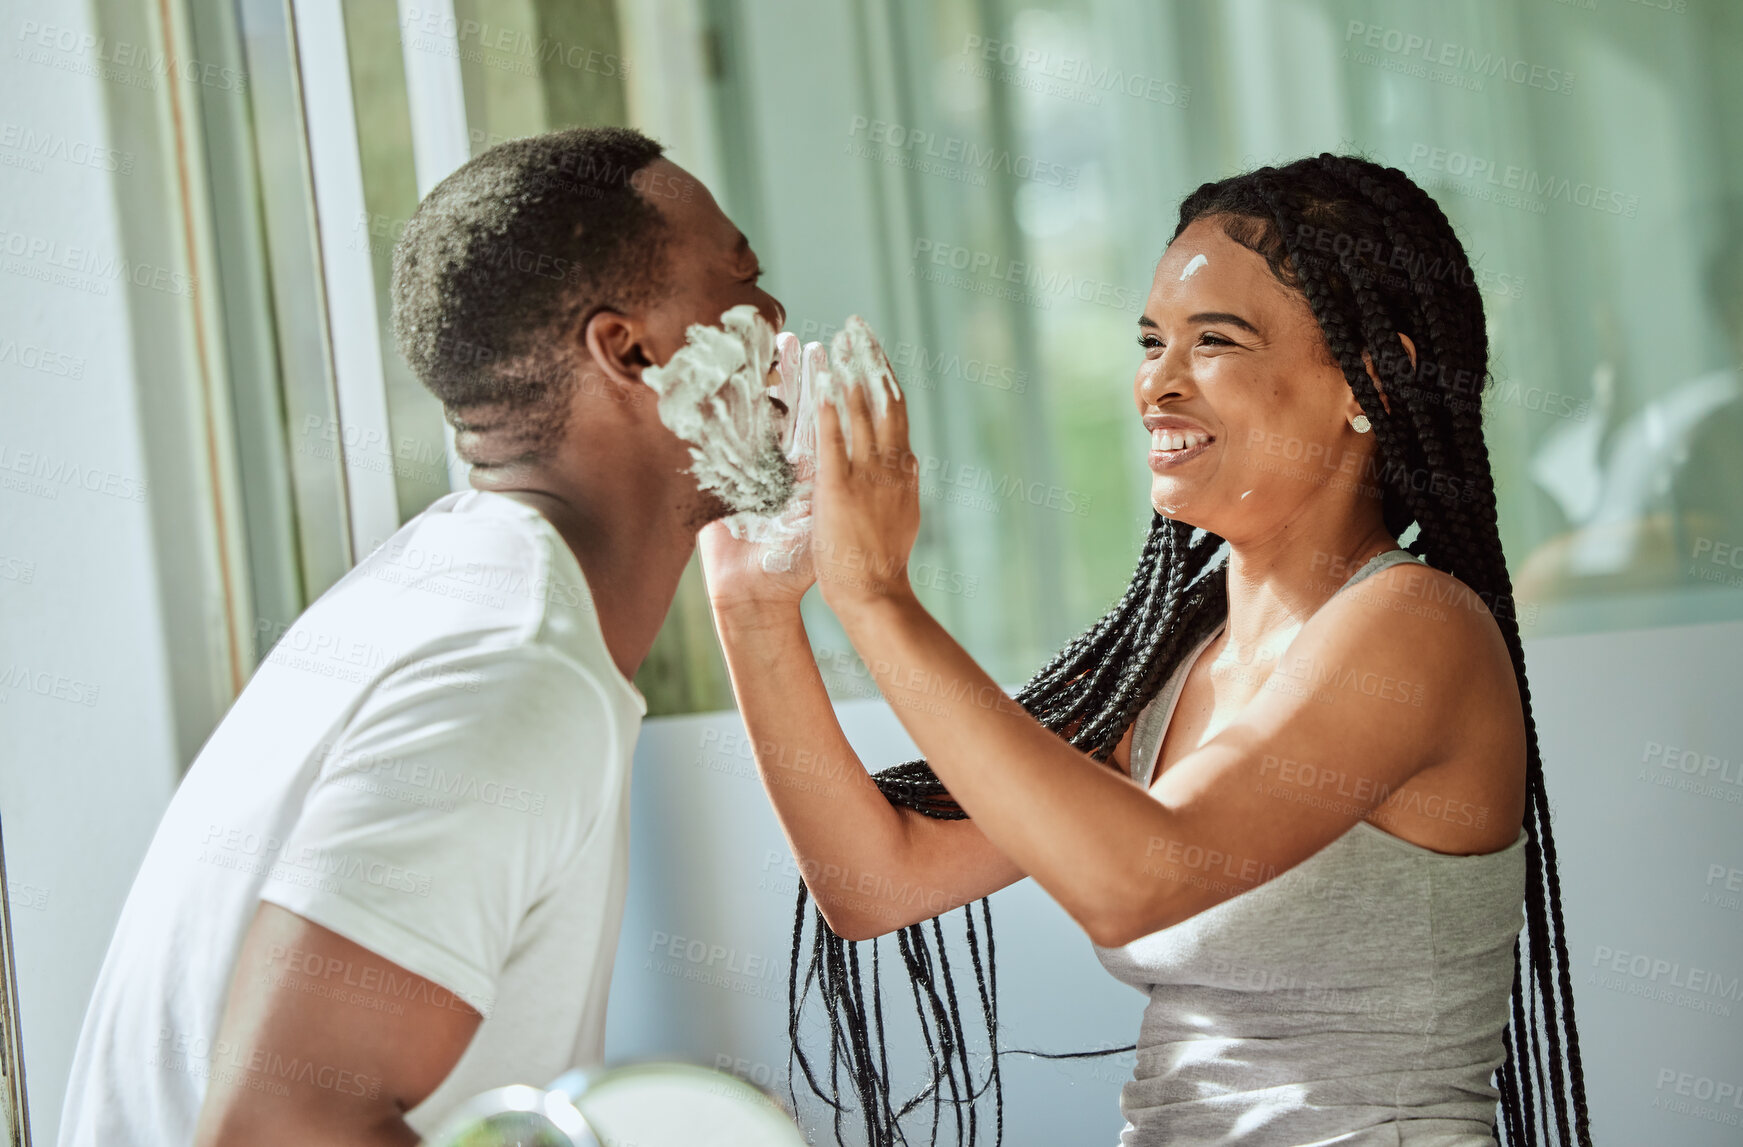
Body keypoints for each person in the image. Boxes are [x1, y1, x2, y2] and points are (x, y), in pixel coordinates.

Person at [699, 156, 1591, 1145]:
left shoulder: (1417, 627)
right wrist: (753, 609)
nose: (1157, 384)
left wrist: (874, 596)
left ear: (1371, 379)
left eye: (1214, 342)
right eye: (1152, 341)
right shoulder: (1175, 661)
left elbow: (1140, 880)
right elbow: (875, 884)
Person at [57, 126, 792, 1147]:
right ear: (631, 351)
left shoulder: (446, 590)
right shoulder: (509, 670)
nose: (776, 315)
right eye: (742, 279)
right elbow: (278, 1132)